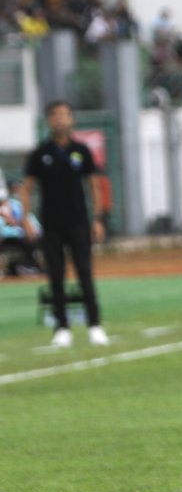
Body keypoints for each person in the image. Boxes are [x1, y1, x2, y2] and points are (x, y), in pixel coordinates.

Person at [17, 101, 110, 348]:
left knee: (85, 274)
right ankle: (61, 328)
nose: (60, 120)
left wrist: (98, 218)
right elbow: (26, 188)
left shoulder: (81, 150)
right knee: (55, 277)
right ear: (48, 120)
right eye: (55, 115)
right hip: (51, 224)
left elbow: (93, 184)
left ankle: (95, 325)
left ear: (72, 120)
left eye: (64, 115)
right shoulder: (41, 152)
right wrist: (26, 218)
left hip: (78, 222)